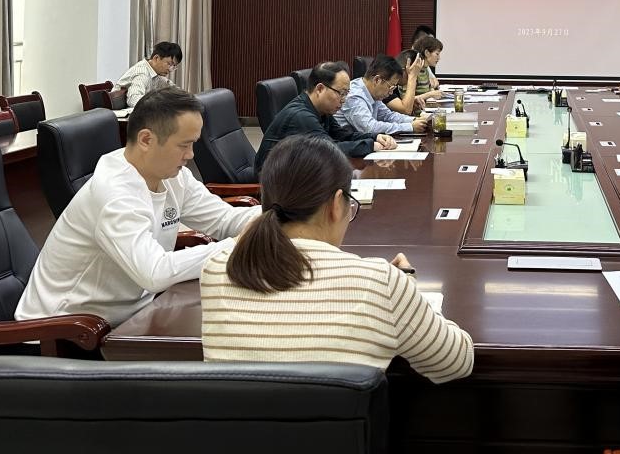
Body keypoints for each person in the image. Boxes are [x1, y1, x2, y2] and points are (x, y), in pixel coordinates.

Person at [202, 135, 475, 382]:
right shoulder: (381, 282)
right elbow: (456, 362)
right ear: (335, 204)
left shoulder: (218, 268)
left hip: (240, 425)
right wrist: (408, 293)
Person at [15, 88, 256, 326]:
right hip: (62, 329)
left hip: (129, 313)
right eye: (184, 145)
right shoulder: (114, 194)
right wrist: (236, 246)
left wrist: (274, 216)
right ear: (146, 139)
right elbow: (155, 273)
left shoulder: (172, 176)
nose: (191, 155)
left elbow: (225, 220)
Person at [256, 61, 398, 174]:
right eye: (341, 93)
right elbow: (330, 150)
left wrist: (375, 137)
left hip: (296, 171)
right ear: (320, 89)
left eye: (346, 93)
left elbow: (343, 135)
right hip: (273, 181)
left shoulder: (320, 110)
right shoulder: (301, 116)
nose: (344, 99)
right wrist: (371, 145)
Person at [337, 54, 430, 137]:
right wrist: (409, 127)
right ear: (377, 80)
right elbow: (369, 128)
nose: (391, 93)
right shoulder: (354, 95)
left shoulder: (373, 94)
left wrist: (414, 120)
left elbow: (388, 116)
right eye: (390, 87)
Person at [117, 42, 183, 108]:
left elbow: (172, 88)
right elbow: (133, 99)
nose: (170, 69)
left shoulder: (156, 73)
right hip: (118, 112)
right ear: (156, 58)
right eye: (169, 64)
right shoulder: (142, 72)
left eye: (174, 66)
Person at [385, 49, 427, 115]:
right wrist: (412, 77)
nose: (417, 77)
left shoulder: (396, 84)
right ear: (404, 70)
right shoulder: (385, 83)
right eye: (415, 72)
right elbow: (406, 110)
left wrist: (412, 102)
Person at [414, 35, 445, 101]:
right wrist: (430, 94)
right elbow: (407, 100)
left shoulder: (425, 69)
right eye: (437, 54)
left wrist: (433, 91)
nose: (439, 58)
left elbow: (428, 89)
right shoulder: (414, 71)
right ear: (427, 53)